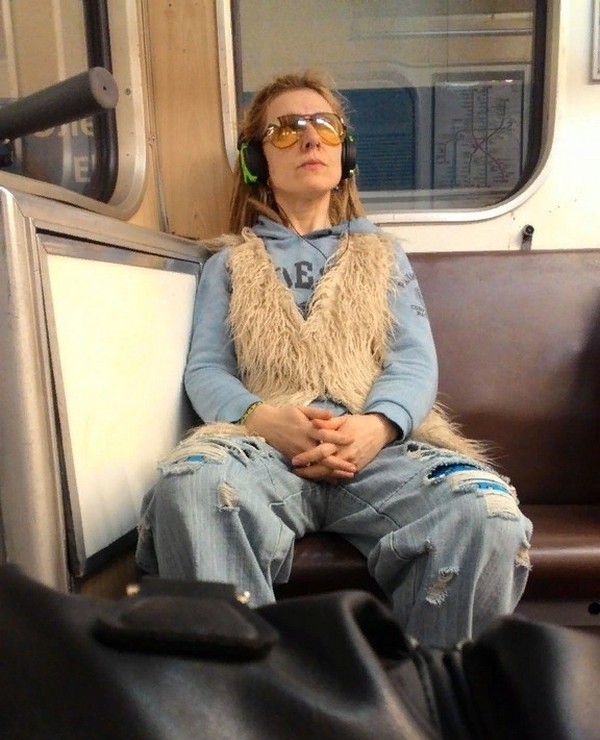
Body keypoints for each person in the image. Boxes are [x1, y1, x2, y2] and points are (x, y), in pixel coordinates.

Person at [136, 70, 533, 649]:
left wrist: (377, 426)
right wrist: (262, 418)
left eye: (324, 126)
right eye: (285, 129)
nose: (309, 138)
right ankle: (252, 692)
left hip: (377, 449)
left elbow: (413, 362)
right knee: (192, 488)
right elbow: (207, 369)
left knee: (485, 514)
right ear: (256, 159)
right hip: (265, 448)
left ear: (344, 152)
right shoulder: (228, 264)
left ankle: (429, 690)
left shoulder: (383, 257)